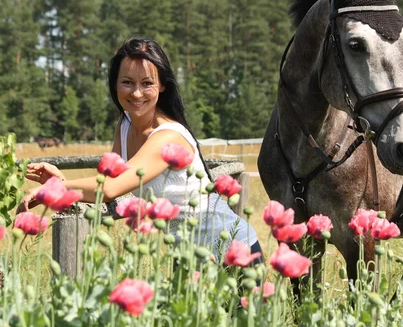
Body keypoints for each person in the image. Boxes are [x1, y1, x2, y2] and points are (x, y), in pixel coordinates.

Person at [18, 37, 261, 261]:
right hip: (191, 258)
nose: (136, 93)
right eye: (127, 82)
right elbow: (109, 187)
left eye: (147, 83)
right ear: (115, 84)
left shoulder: (167, 137)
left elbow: (110, 188)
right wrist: (61, 181)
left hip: (232, 251)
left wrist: (52, 190)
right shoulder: (124, 125)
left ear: (162, 85)